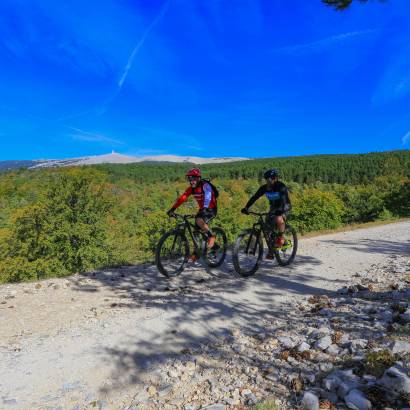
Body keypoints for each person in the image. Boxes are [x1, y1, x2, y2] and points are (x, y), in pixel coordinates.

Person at [241, 168, 291, 259]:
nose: (269, 180)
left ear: (275, 178)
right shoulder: (264, 188)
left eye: (271, 178)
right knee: (267, 228)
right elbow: (254, 197)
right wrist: (246, 207)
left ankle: (281, 237)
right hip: (273, 208)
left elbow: (284, 198)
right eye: (267, 178)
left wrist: (280, 211)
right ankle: (271, 251)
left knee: (278, 218)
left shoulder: (280, 186)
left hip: (284, 205)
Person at [167, 168, 217, 254]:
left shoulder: (205, 185)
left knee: (198, 220)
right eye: (190, 179)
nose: (191, 181)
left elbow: (208, 197)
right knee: (196, 231)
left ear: (198, 178)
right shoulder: (191, 189)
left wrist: (204, 208)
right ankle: (198, 252)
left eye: (194, 178)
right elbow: (182, 198)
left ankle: (211, 236)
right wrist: (172, 209)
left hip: (211, 209)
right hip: (202, 209)